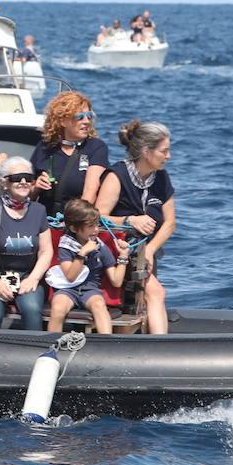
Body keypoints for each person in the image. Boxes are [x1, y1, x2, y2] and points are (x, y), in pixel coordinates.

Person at [95, 120, 175, 334]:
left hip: (147, 253)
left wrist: (149, 250)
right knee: (156, 293)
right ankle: (160, 349)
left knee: (148, 297)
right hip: (117, 252)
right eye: (164, 151)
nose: (169, 156)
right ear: (146, 151)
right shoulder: (116, 176)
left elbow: (170, 223)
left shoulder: (162, 178)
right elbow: (97, 217)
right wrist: (130, 220)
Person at [0, 158, 54, 330]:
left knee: (32, 310)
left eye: (28, 177)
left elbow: (46, 252)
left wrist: (33, 278)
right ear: (4, 182)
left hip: (27, 276)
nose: (23, 182)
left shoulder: (39, 211)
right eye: (17, 178)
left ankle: (32, 353)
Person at [46, 198, 130, 335]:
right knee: (58, 306)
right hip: (68, 289)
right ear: (74, 228)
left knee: (99, 306)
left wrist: (123, 257)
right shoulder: (66, 246)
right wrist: (82, 253)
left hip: (90, 290)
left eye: (96, 225)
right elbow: (70, 276)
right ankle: (53, 346)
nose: (96, 230)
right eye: (90, 226)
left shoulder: (100, 247)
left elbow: (116, 280)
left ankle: (107, 344)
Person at [30, 91, 110, 215]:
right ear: (62, 121)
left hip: (76, 220)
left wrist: (73, 222)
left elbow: (90, 193)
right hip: (45, 219)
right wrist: (36, 187)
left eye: (89, 116)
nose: (86, 121)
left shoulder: (96, 147)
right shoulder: (45, 147)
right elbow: (27, 195)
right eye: (79, 117)